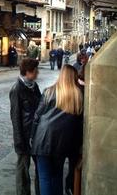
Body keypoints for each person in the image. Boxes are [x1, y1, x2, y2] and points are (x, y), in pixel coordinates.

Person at [31, 65, 84, 195]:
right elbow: (78, 125)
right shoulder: (78, 96)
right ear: (74, 78)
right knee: (56, 176)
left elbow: (37, 117)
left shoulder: (49, 92)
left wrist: (32, 137)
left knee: (44, 178)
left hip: (43, 139)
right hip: (62, 143)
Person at [9, 58, 41, 195]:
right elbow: (15, 117)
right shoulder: (17, 89)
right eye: (35, 71)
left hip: (37, 134)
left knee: (40, 168)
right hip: (24, 136)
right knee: (23, 170)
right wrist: (19, 140)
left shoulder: (34, 86)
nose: (37, 73)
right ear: (28, 72)